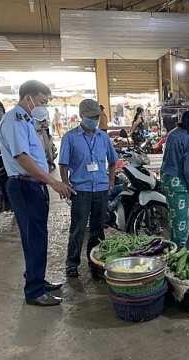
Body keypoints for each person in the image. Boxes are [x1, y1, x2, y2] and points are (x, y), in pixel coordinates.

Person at [0, 80, 75, 307]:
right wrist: (53, 182)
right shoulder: (15, 120)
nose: (45, 106)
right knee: (34, 238)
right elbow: (22, 158)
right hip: (25, 186)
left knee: (37, 237)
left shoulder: (26, 120)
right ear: (27, 98)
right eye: (42, 101)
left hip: (33, 185)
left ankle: (37, 279)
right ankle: (34, 291)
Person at [59, 99, 119, 279]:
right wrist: (65, 184)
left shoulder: (104, 137)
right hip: (81, 190)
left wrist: (110, 182)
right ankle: (72, 263)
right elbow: (63, 164)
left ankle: (96, 262)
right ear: (81, 116)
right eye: (91, 117)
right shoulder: (70, 137)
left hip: (100, 189)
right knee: (78, 228)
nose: (95, 120)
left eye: (96, 117)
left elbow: (113, 161)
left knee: (98, 228)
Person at [160, 105, 189, 247]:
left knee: (173, 218)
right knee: (181, 223)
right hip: (178, 184)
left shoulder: (173, 133)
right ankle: (179, 254)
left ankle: (172, 248)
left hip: (166, 180)